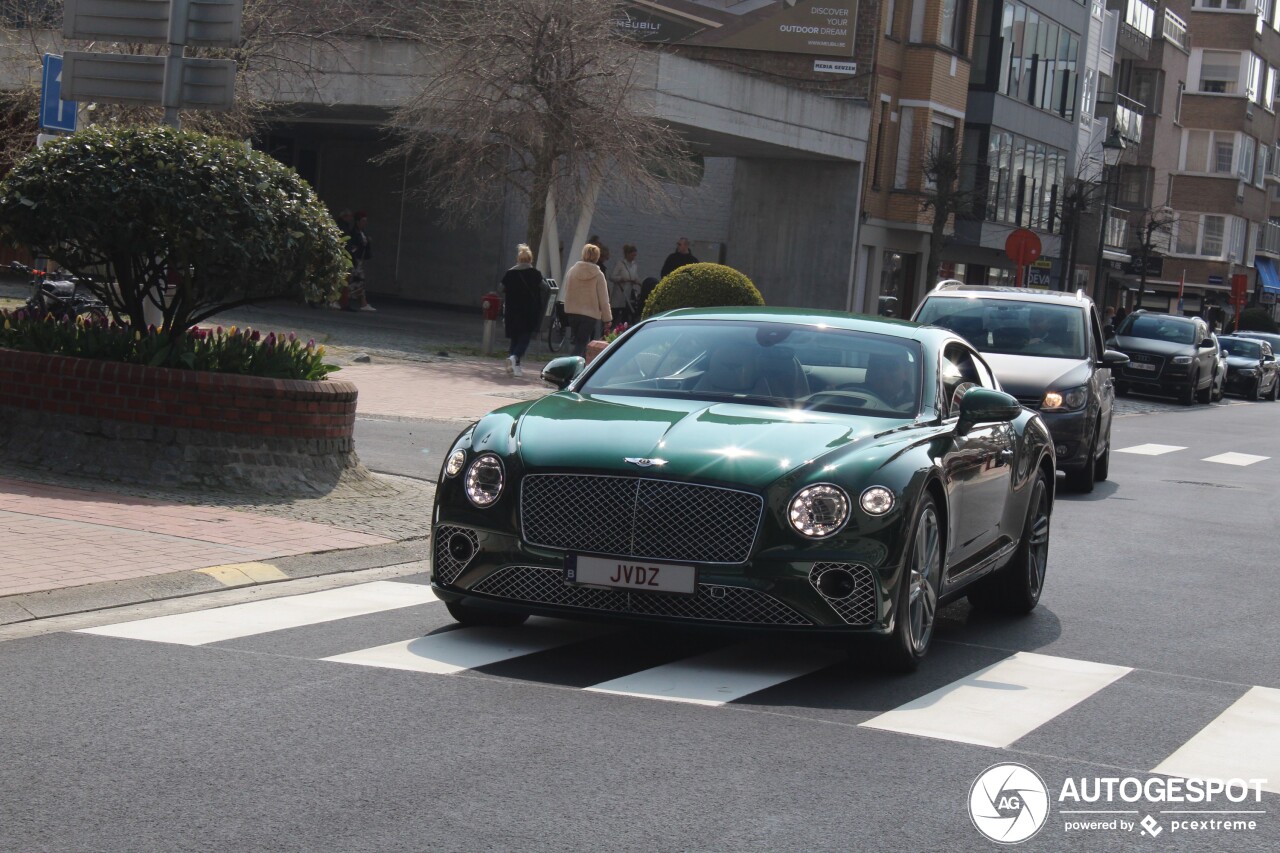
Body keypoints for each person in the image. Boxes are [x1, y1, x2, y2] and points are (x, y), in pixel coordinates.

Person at [500, 243, 544, 377]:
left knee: (514, 338)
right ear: (530, 259)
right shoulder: (535, 274)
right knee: (524, 338)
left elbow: (501, 288)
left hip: (512, 311)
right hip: (528, 312)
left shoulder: (510, 273)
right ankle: (514, 357)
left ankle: (514, 366)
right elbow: (544, 288)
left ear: (518, 259)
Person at [563, 243, 612, 357]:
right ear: (597, 256)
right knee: (582, 343)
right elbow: (604, 298)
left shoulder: (572, 271)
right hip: (590, 314)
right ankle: (572, 366)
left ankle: (581, 366)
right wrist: (607, 318)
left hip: (573, 312)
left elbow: (567, 290)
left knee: (578, 342)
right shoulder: (598, 274)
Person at [344, 211, 376, 312]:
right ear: (357, 221)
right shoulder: (354, 233)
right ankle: (359, 301)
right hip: (355, 260)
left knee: (358, 280)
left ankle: (362, 302)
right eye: (363, 221)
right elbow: (353, 246)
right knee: (356, 280)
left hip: (359, 260)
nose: (364, 223)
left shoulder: (362, 233)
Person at [609, 244, 641, 325]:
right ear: (627, 254)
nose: (634, 257)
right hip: (619, 294)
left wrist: (638, 282)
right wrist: (621, 279)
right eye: (632, 255)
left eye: (635, 255)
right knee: (614, 316)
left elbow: (635, 276)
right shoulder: (620, 264)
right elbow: (612, 276)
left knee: (625, 318)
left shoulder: (634, 265)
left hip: (628, 296)